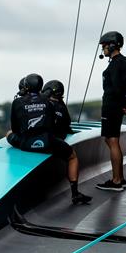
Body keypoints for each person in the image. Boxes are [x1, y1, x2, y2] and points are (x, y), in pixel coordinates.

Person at [8, 75, 91, 205]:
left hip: (25, 144)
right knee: (72, 157)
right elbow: (51, 126)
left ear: (26, 87)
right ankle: (75, 193)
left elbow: (15, 129)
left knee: (8, 134)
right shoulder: (48, 102)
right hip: (47, 142)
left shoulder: (17, 102)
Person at [96, 30, 126, 192]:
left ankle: (117, 180)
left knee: (112, 140)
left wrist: (121, 106)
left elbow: (117, 89)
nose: (103, 49)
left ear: (112, 45)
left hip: (111, 107)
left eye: (104, 46)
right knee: (113, 140)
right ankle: (120, 178)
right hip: (119, 107)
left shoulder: (115, 64)